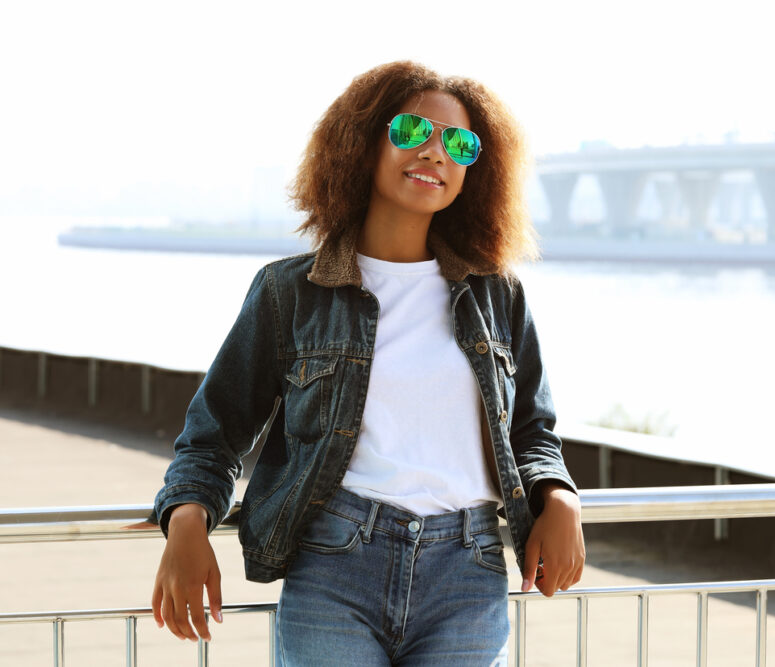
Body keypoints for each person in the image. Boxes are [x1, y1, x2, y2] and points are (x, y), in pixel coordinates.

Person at [151, 60, 585, 665]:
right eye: (412, 131)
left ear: (472, 171)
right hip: (334, 568)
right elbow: (212, 433)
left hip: (468, 573)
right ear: (364, 143)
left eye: (459, 144)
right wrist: (186, 523)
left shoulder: (498, 295)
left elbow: (533, 429)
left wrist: (560, 498)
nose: (435, 152)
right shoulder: (290, 291)